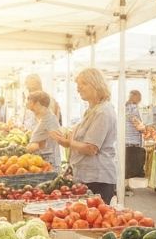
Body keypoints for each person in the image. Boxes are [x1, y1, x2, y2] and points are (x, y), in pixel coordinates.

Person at [49, 68, 117, 202]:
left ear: (96, 85)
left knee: (95, 214)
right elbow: (81, 138)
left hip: (97, 178)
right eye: (78, 84)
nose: (78, 88)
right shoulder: (92, 110)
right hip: (87, 175)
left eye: (83, 84)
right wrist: (66, 138)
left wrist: (68, 143)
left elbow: (91, 148)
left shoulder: (102, 112)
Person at [24, 91, 62, 170]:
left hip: (49, 166)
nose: (31, 110)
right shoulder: (45, 118)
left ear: (38, 104)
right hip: (44, 164)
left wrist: (24, 149)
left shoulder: (50, 120)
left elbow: (42, 144)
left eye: (32, 107)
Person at [124, 89, 146, 180]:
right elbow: (137, 124)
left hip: (126, 141)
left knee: (128, 169)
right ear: (138, 98)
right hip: (134, 143)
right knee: (135, 172)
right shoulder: (133, 108)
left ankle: (127, 185)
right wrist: (145, 129)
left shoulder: (126, 107)